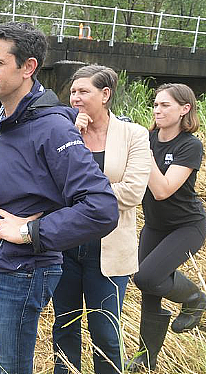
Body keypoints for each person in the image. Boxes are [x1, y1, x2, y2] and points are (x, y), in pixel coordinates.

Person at [0, 22, 119, 374]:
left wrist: (32, 231)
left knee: (13, 366)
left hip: (20, 269)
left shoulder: (53, 127)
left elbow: (101, 207)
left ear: (28, 67)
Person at [51, 65, 151, 374]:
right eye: (73, 92)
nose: (76, 98)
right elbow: (51, 185)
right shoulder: (63, 132)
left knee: (105, 332)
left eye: (84, 92)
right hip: (66, 245)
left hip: (107, 249)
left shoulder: (134, 134)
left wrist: (83, 197)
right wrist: (73, 136)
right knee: (64, 326)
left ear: (105, 94)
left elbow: (133, 192)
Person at [126, 83, 206, 372]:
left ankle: (195, 298)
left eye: (165, 105)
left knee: (147, 278)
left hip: (187, 226)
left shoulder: (190, 145)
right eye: (156, 105)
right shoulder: (146, 138)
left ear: (185, 109)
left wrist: (143, 152)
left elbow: (162, 190)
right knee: (150, 293)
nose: (157, 110)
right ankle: (145, 359)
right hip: (155, 226)